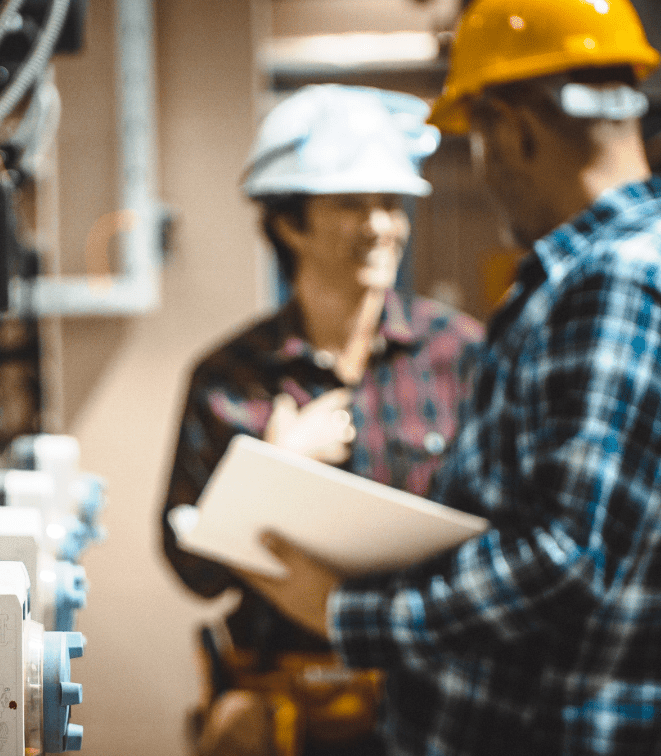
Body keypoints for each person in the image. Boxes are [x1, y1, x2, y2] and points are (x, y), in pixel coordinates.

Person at [241, 1, 661, 755]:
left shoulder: (620, 284)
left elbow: (564, 558)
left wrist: (349, 616)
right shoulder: (610, 273)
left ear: (514, 123)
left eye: (476, 135)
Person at [160, 85, 484, 756]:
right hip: (285, 708)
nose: (380, 225)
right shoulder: (227, 380)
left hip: (436, 697)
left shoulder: (462, 354)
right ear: (288, 222)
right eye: (351, 204)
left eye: (391, 203)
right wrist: (271, 473)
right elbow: (194, 572)